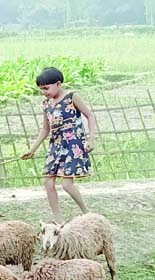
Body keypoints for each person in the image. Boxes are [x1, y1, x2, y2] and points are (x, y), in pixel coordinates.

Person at [20, 67, 96, 223]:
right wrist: (32, 149)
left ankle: (87, 214)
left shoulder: (72, 97)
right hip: (56, 146)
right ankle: (58, 220)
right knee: (48, 182)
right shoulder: (46, 104)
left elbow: (89, 115)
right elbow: (45, 129)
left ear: (58, 83)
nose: (44, 92)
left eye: (47, 88)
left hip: (73, 145)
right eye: (42, 89)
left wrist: (91, 139)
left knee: (67, 184)